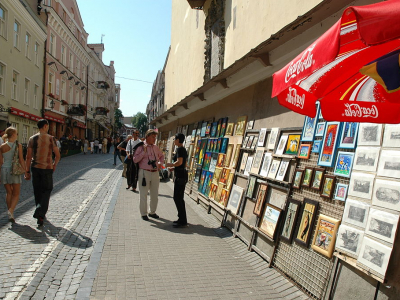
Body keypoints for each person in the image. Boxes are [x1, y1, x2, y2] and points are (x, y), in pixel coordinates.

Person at [25, 119, 60, 226]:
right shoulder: (51, 138)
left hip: (35, 167)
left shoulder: (32, 139)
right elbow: (57, 155)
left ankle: (40, 214)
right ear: (45, 126)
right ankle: (40, 211)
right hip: (47, 167)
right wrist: (54, 164)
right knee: (47, 189)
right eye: (48, 126)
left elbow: (28, 156)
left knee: (37, 191)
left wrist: (27, 171)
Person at [133, 129, 164, 221]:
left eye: (155, 137)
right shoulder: (141, 146)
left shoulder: (155, 147)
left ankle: (152, 212)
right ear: (147, 137)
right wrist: (144, 152)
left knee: (154, 194)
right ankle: (143, 213)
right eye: (153, 137)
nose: (154, 139)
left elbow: (161, 156)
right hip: (144, 172)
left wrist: (160, 163)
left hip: (155, 172)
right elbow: (135, 159)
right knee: (143, 194)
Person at [0, 127, 27, 223]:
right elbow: (21, 159)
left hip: (4, 170)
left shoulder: (2, 146)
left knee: (8, 193)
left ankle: (10, 212)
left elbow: (0, 162)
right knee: (16, 193)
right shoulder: (18, 145)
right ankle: (11, 210)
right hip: (14, 171)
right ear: (13, 135)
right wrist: (25, 170)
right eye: (16, 133)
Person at [166, 133, 188, 227]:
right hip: (182, 174)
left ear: (178, 140)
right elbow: (184, 164)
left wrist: (171, 164)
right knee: (179, 198)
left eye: (175, 139)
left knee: (177, 198)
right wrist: (174, 168)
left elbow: (180, 162)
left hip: (181, 176)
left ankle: (182, 220)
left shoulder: (179, 149)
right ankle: (182, 218)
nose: (174, 140)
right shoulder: (183, 149)